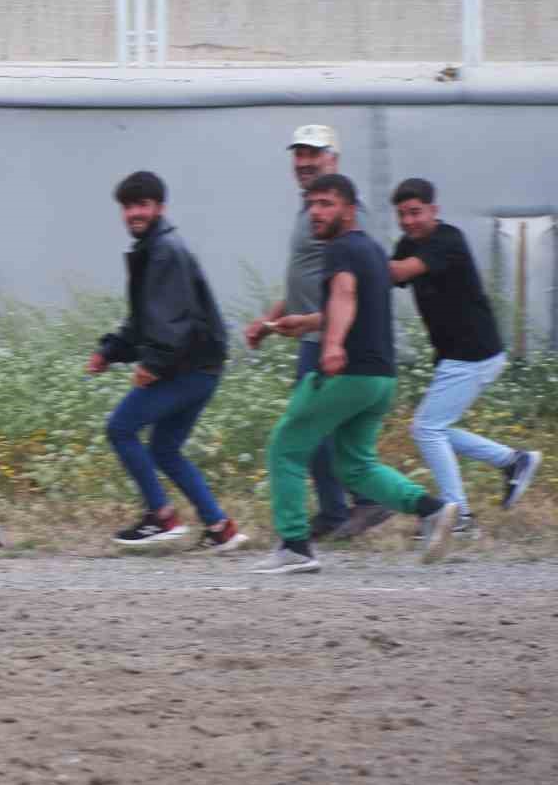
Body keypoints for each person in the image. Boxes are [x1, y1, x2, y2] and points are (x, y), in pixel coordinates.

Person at [253, 174, 459, 574]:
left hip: (346, 373)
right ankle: (432, 510)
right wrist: (309, 322)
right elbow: (353, 306)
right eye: (312, 204)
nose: (317, 212)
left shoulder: (340, 250)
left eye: (327, 203)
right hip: (379, 378)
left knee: (286, 446)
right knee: (355, 465)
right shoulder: (371, 251)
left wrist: (331, 345)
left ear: (349, 209)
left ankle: (295, 546)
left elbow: (345, 294)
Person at [244, 124, 391, 540]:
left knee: (305, 428)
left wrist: (333, 341)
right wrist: (269, 321)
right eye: (299, 154)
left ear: (334, 159)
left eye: (314, 154)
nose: (304, 162)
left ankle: (352, 506)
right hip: (312, 334)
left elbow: (349, 285)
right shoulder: (311, 208)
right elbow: (304, 280)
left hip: (328, 339)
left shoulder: (341, 213)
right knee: (324, 430)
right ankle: (344, 508)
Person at [89, 172, 246, 552]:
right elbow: (145, 320)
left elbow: (171, 321)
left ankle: (161, 517)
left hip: (186, 368)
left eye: (142, 205)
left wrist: (153, 365)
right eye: (128, 206)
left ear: (160, 208)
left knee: (120, 429)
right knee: (165, 448)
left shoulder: (163, 252)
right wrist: (110, 352)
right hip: (201, 368)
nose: (134, 213)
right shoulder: (153, 248)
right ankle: (220, 528)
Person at [389, 177, 542, 537]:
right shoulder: (406, 244)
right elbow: (384, 281)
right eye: (402, 215)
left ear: (433, 210)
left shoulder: (448, 240)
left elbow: (398, 272)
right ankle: (512, 461)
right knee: (433, 428)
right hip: (457, 356)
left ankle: (457, 514)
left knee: (427, 428)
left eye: (416, 212)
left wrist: (354, 259)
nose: (409, 221)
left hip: (474, 353)